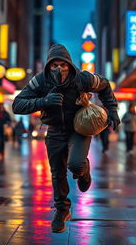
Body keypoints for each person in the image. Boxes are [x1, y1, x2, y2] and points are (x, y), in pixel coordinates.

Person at [12, 44, 120, 233]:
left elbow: (104, 85)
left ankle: (83, 170)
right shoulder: (40, 82)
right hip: (54, 131)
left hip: (79, 128)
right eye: (54, 65)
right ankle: (62, 210)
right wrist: (44, 101)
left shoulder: (83, 79)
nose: (59, 69)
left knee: (76, 165)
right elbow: (17, 104)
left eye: (63, 64)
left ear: (70, 64)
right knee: (57, 173)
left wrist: (112, 110)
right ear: (48, 66)